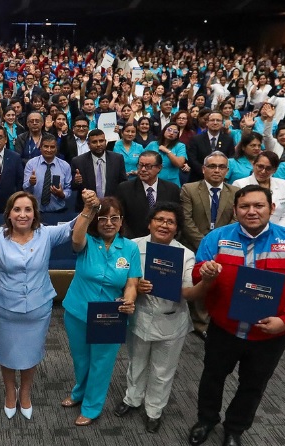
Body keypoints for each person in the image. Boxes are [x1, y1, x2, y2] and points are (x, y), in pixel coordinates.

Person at [187, 185, 285, 446]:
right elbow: (197, 275)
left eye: (258, 206)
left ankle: (235, 428)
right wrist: (205, 274)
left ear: (272, 208)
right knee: (212, 378)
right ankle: (206, 420)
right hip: (224, 329)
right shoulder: (215, 239)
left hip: (268, 335)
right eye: (244, 206)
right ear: (236, 210)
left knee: (253, 385)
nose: (251, 211)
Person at [115, 202, 212, 433]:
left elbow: (189, 293)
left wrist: (202, 283)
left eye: (170, 222)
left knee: (162, 371)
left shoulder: (186, 254)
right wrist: (135, 286)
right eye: (159, 219)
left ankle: (154, 411)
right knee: (136, 363)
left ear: (176, 228)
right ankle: (132, 399)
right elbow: (118, 278)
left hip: (171, 320)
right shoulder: (131, 246)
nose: (164, 225)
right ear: (150, 223)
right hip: (139, 318)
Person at [0, 191, 74, 420]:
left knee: (31, 353)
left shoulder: (46, 234)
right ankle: (9, 392)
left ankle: (25, 392)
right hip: (4, 309)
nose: (22, 214)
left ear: (35, 214)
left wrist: (91, 208)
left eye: (27, 209)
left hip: (37, 308)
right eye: (17, 209)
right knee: (7, 353)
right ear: (9, 214)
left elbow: (74, 228)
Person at [60, 191, 140, 426]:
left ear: (121, 221)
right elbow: (75, 239)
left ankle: (92, 407)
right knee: (81, 359)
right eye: (103, 218)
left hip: (110, 316)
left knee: (101, 363)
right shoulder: (87, 242)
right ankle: (78, 393)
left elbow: (132, 282)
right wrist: (89, 209)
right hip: (77, 311)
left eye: (114, 218)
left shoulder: (130, 249)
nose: (109, 223)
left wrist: (129, 299)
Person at [180, 151, 239, 339]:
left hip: (225, 247)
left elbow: (235, 221)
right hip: (193, 244)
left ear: (227, 171)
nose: (217, 170)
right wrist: (206, 245)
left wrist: (219, 246)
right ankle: (200, 322)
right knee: (199, 281)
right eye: (212, 166)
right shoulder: (188, 189)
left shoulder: (235, 193)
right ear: (204, 169)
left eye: (221, 167)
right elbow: (186, 220)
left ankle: (217, 317)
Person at [116, 151, 182, 238]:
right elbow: (121, 219)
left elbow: (177, 219)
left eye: (148, 166)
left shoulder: (172, 189)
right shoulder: (125, 188)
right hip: (134, 241)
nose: (143, 169)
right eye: (140, 165)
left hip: (164, 241)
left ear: (159, 168)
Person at [232, 151, 285, 228]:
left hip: (279, 231)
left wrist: (278, 230)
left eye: (268, 168)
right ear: (253, 164)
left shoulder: (283, 184)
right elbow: (237, 213)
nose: (263, 171)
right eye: (260, 166)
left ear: (274, 170)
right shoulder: (239, 184)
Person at [71, 129, 127, 210]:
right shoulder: (78, 161)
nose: (98, 144)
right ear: (88, 144)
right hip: (87, 208)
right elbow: (73, 187)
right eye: (94, 142)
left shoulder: (117, 159)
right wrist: (77, 182)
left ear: (105, 142)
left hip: (111, 207)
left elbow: (123, 183)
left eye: (101, 141)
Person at [22, 137, 73, 213]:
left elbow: (68, 189)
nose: (49, 150)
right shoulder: (31, 164)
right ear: (40, 148)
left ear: (56, 149)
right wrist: (30, 183)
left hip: (58, 211)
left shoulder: (65, 166)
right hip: (35, 211)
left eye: (52, 147)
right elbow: (25, 188)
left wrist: (62, 194)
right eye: (46, 146)